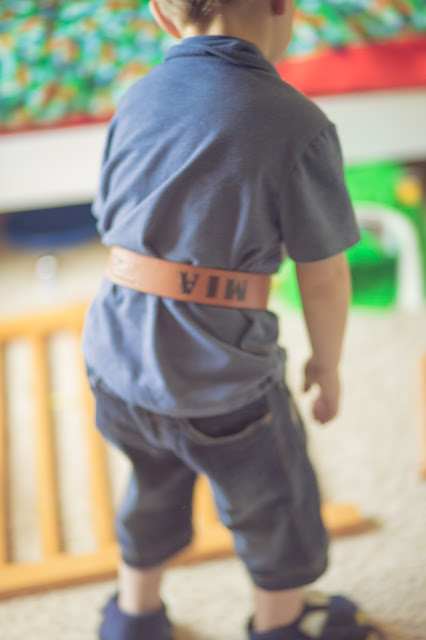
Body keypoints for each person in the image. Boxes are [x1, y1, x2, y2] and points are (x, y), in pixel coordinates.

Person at [82, 1, 387, 639]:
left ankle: (135, 616)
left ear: (163, 14)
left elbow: (109, 217)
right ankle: (282, 625)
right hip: (224, 388)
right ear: (283, 5)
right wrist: (326, 363)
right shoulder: (297, 123)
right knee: (276, 508)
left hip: (116, 365)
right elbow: (324, 275)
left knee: (152, 488)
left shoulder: (135, 98)